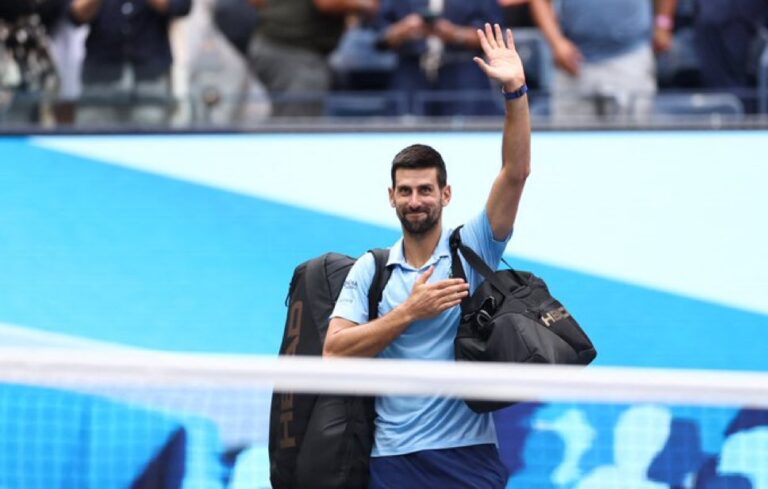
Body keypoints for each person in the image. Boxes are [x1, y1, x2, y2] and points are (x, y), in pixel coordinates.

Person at [323, 23, 530, 488]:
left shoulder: (472, 247)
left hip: (468, 457)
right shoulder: (371, 269)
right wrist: (408, 313)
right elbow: (334, 352)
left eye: (425, 190)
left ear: (445, 194)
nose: (415, 200)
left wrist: (515, 91)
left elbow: (515, 173)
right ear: (391, 198)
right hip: (393, 460)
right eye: (405, 191)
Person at [529, 0, 677, 122]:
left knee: (632, 147)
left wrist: (663, 23)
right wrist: (556, 42)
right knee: (572, 149)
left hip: (629, 57)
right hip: (573, 62)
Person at [246, 0, 380, 117]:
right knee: (296, 129)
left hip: (270, 44)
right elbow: (327, 3)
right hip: (295, 54)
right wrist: (365, 4)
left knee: (287, 122)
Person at [69, 0, 191, 126]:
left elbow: (180, 7)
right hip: (100, 75)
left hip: (150, 77)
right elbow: (74, 15)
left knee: (151, 138)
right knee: (93, 138)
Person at [376, 0, 504, 115]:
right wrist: (404, 29)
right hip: (411, 72)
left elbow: (494, 36)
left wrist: (455, 33)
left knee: (467, 130)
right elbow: (380, 39)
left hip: (463, 72)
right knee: (404, 128)